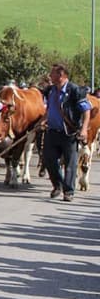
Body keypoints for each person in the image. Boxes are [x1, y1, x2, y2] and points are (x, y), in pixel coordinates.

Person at [41, 64, 91, 202]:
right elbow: (50, 108)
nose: (50, 76)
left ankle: (68, 191)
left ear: (61, 75)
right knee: (49, 159)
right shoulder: (50, 91)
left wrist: (84, 129)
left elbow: (86, 111)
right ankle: (57, 185)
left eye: (53, 74)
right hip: (52, 131)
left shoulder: (75, 91)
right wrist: (43, 120)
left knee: (70, 163)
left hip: (69, 133)